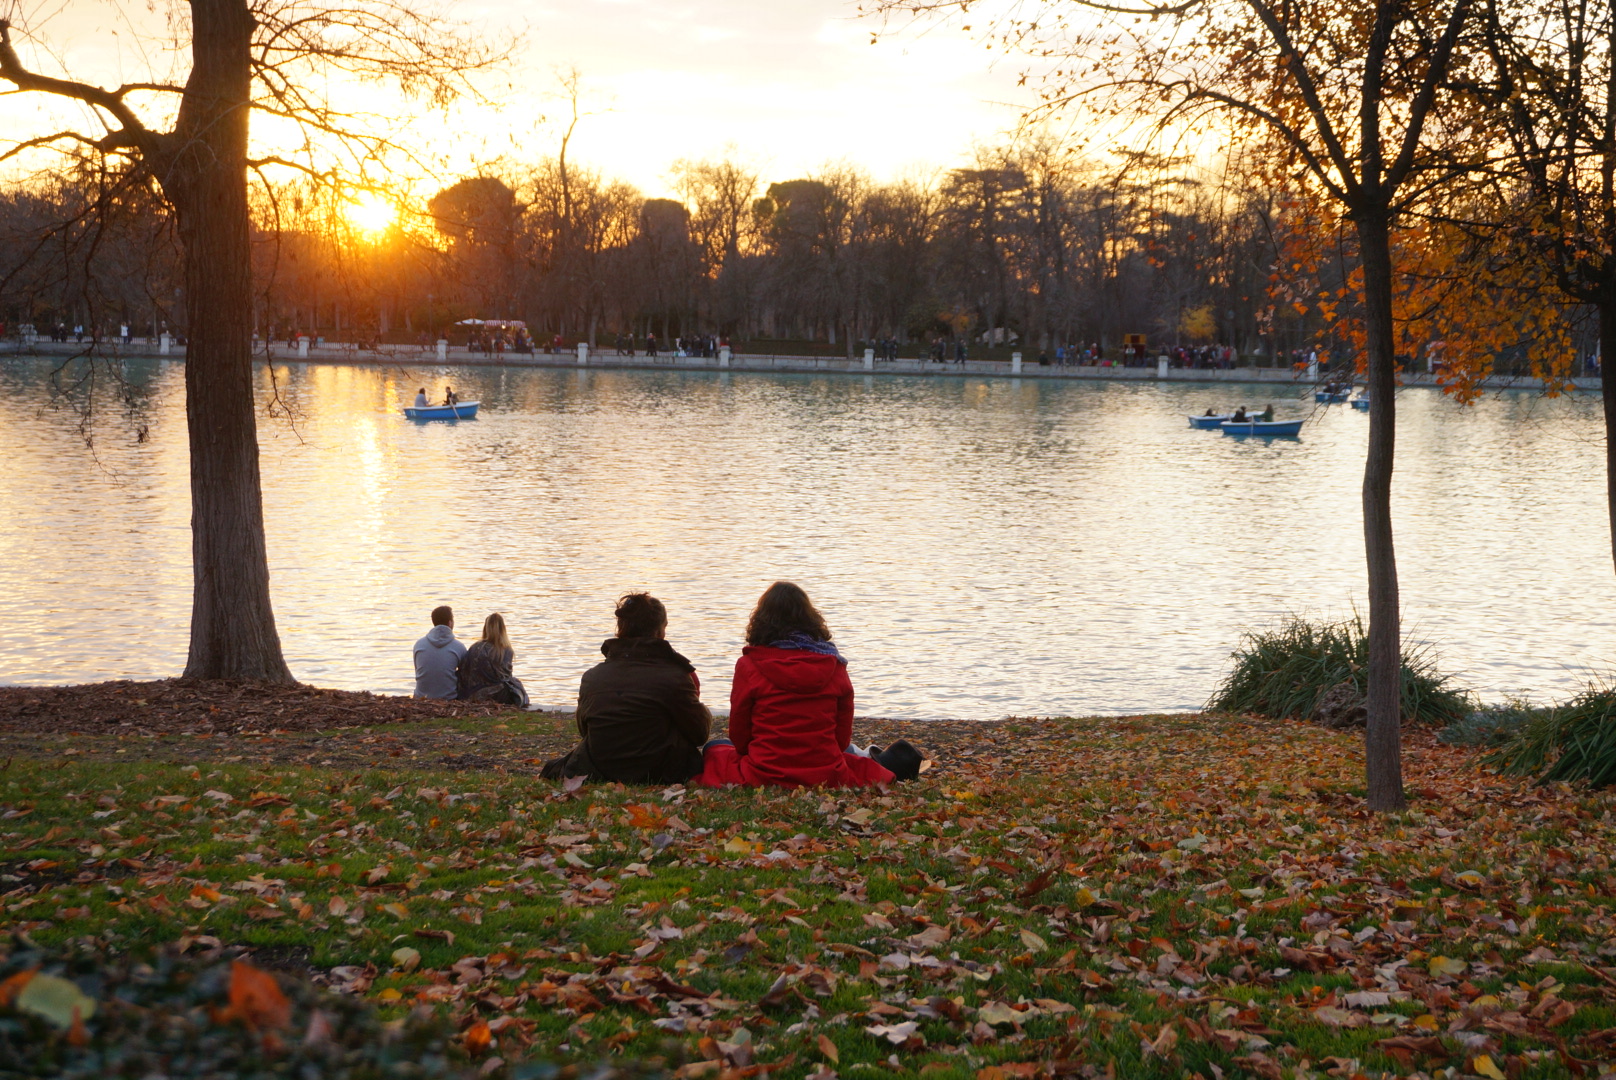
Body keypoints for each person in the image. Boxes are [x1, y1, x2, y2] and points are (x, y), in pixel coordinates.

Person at [693, 582, 922, 789]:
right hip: (824, 771)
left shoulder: (749, 664)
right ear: (810, 619)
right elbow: (841, 739)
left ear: (761, 622)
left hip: (765, 769)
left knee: (716, 748)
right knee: (857, 761)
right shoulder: (834, 665)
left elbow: (740, 734)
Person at [541, 593, 712, 784]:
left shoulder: (592, 677)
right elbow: (699, 734)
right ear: (659, 632)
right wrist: (701, 707)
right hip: (661, 771)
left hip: (601, 768)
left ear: (620, 629)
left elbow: (585, 730)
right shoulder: (676, 677)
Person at [456, 613, 529, 706]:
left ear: (485, 628)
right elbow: (505, 677)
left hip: (472, 693)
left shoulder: (475, 647)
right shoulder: (505, 650)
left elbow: (464, 672)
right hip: (495, 694)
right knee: (516, 684)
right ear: (503, 629)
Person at [413, 606, 467, 699]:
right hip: (449, 698)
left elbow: (418, 670)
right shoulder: (459, 647)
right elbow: (465, 676)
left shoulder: (419, 645)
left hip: (421, 698)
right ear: (450, 623)